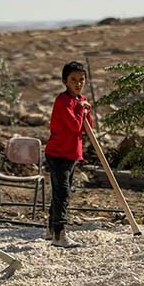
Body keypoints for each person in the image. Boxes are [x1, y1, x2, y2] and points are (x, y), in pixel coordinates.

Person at [45, 61, 93, 248]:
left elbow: (87, 128)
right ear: (65, 81)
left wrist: (86, 110)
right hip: (58, 154)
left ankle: (51, 229)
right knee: (62, 193)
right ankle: (60, 234)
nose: (78, 83)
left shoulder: (80, 100)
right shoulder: (63, 101)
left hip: (72, 154)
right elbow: (74, 126)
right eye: (73, 80)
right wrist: (81, 108)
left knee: (61, 191)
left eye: (81, 80)